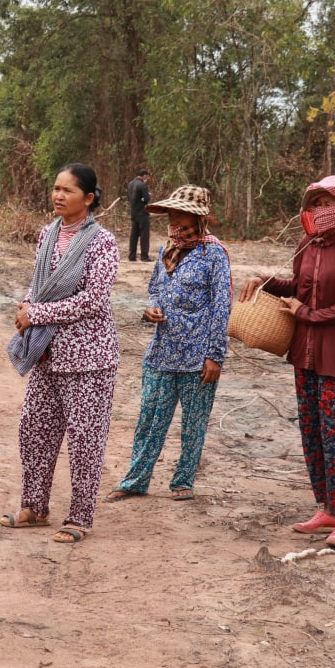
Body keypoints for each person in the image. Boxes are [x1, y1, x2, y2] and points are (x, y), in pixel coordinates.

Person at [238, 175, 335, 549]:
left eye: (326, 203)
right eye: (315, 202)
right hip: (305, 356)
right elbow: (298, 288)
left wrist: (307, 314)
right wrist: (265, 282)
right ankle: (327, 509)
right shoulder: (309, 244)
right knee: (313, 435)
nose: (318, 210)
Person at [2, 163, 119, 543]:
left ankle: (80, 518)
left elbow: (95, 300)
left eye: (67, 190)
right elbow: (38, 284)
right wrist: (25, 304)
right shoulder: (46, 234)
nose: (58, 195)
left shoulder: (103, 242)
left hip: (89, 358)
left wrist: (37, 312)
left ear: (88, 199)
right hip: (47, 353)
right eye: (55, 188)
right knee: (34, 430)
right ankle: (34, 507)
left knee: (85, 438)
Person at [104, 185, 230, 504]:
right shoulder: (165, 251)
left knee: (193, 423)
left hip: (197, 356)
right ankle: (136, 480)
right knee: (149, 419)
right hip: (161, 353)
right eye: (172, 214)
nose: (175, 221)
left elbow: (221, 306)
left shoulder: (214, 253)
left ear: (197, 218)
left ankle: (183, 481)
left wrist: (215, 356)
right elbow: (155, 289)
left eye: (181, 215)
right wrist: (152, 309)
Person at [127, 169, 151, 262]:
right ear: (144, 175)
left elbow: (130, 198)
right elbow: (146, 199)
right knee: (144, 235)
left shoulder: (130, 184)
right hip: (142, 212)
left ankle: (132, 256)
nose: (147, 179)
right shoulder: (142, 184)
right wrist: (148, 196)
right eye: (147, 176)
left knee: (133, 235)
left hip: (133, 212)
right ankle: (144, 256)